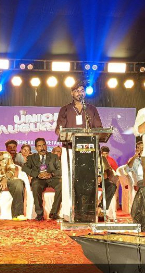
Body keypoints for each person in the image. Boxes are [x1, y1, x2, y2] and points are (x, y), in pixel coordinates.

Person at [55, 81, 103, 220]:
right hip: (69, 149)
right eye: (76, 90)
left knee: (86, 181)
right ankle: (67, 212)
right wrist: (67, 133)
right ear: (72, 93)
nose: (79, 93)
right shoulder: (65, 109)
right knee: (68, 181)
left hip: (88, 150)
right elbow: (59, 129)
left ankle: (86, 212)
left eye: (82, 90)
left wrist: (93, 133)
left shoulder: (91, 109)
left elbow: (99, 128)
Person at [23, 138, 62, 220]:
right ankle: (39, 214)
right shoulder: (31, 157)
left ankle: (54, 213)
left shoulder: (53, 156)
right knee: (35, 185)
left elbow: (60, 169)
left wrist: (51, 174)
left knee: (61, 185)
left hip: (52, 178)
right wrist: (37, 175)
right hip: (38, 179)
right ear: (36, 148)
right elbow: (25, 168)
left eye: (44, 145)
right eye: (39, 146)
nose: (42, 148)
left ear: (46, 146)